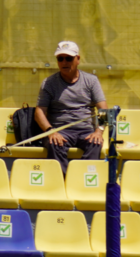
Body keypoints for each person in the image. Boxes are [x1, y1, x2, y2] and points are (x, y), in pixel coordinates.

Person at [34, 41, 107, 174]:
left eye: (69, 58)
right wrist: (51, 131)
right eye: (60, 59)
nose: (64, 62)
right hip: (60, 130)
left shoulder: (91, 81)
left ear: (78, 59)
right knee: (54, 143)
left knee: (95, 143)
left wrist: (99, 132)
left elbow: (104, 109)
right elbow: (39, 111)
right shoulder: (49, 83)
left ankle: (83, 180)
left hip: (86, 131)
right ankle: (63, 182)